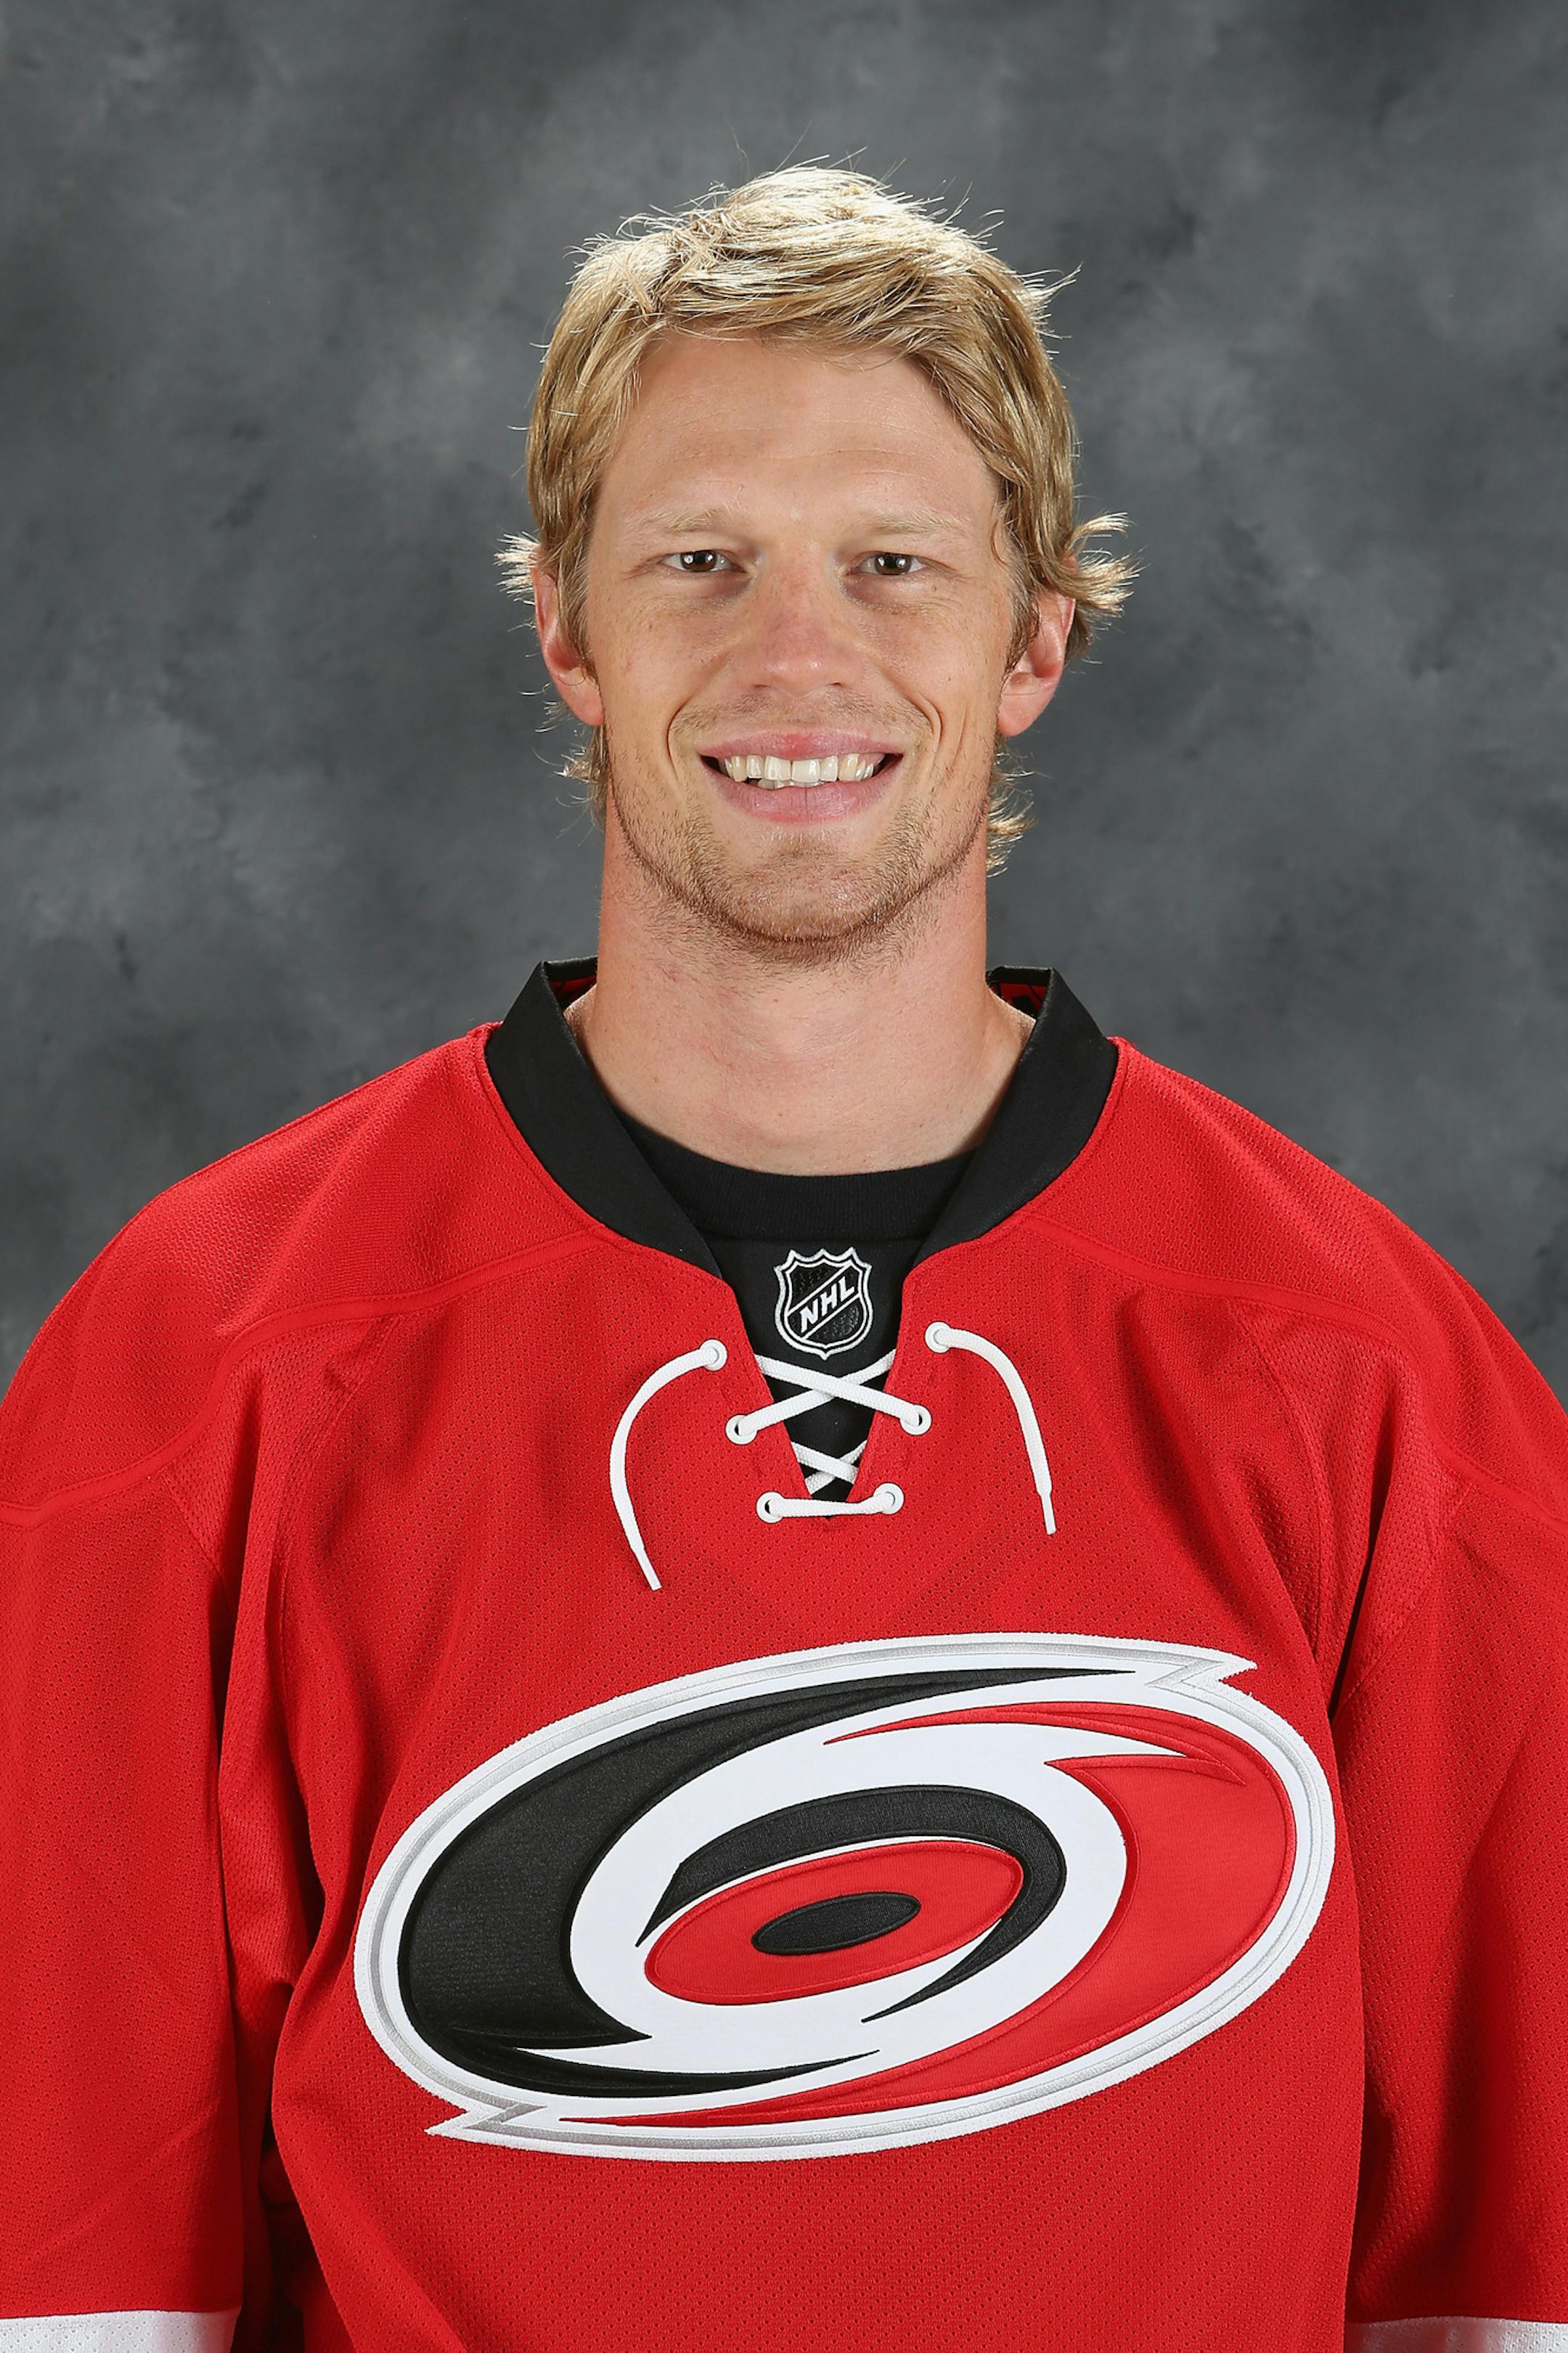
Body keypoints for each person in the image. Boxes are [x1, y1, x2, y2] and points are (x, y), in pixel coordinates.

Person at [1, 163, 1564, 2353]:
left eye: (893, 564)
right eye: (701, 560)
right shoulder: (199, 1367)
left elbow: (1503, 2287)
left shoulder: (1375, 1375)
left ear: (1034, 639)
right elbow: (74, 2290)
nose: (796, 655)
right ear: (569, 628)